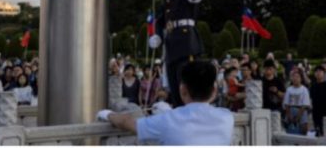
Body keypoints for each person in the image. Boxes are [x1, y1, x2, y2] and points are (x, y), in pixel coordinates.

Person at [98, 61, 233, 145]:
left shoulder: (168, 119)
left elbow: (126, 122)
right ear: (214, 91)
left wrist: (107, 114)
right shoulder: (227, 117)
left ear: (183, 89)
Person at [147, 0, 206, 107]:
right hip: (171, 40)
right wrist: (157, 34)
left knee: (187, 89)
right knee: (175, 89)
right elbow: (161, 16)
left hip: (186, 40)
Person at [283, 69, 311, 135]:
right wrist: (289, 115)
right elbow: (286, 103)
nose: (295, 78)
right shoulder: (289, 89)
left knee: (304, 128)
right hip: (290, 110)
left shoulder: (304, 90)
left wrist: (298, 117)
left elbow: (304, 105)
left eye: (297, 77)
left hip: (301, 110)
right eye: (294, 77)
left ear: (301, 79)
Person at [309, 65, 326, 136]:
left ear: (324, 73)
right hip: (315, 112)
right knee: (316, 132)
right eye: (316, 71)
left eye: (320, 71)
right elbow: (311, 98)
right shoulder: (313, 86)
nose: (318, 73)